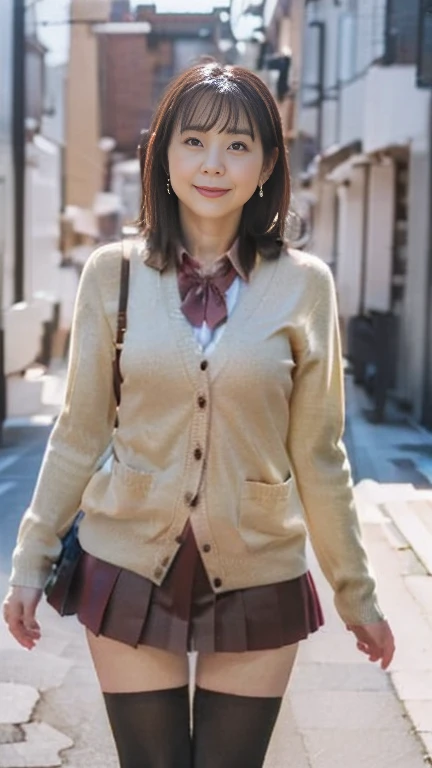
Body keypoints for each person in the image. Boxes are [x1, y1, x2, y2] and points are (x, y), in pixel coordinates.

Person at [2, 62, 395, 768]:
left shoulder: (306, 286)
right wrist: (30, 562)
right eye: (195, 142)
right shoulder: (112, 273)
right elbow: (79, 432)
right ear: (165, 155)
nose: (214, 164)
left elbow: (320, 455)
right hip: (126, 564)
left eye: (239, 146)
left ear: (269, 164)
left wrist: (355, 592)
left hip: (258, 569)